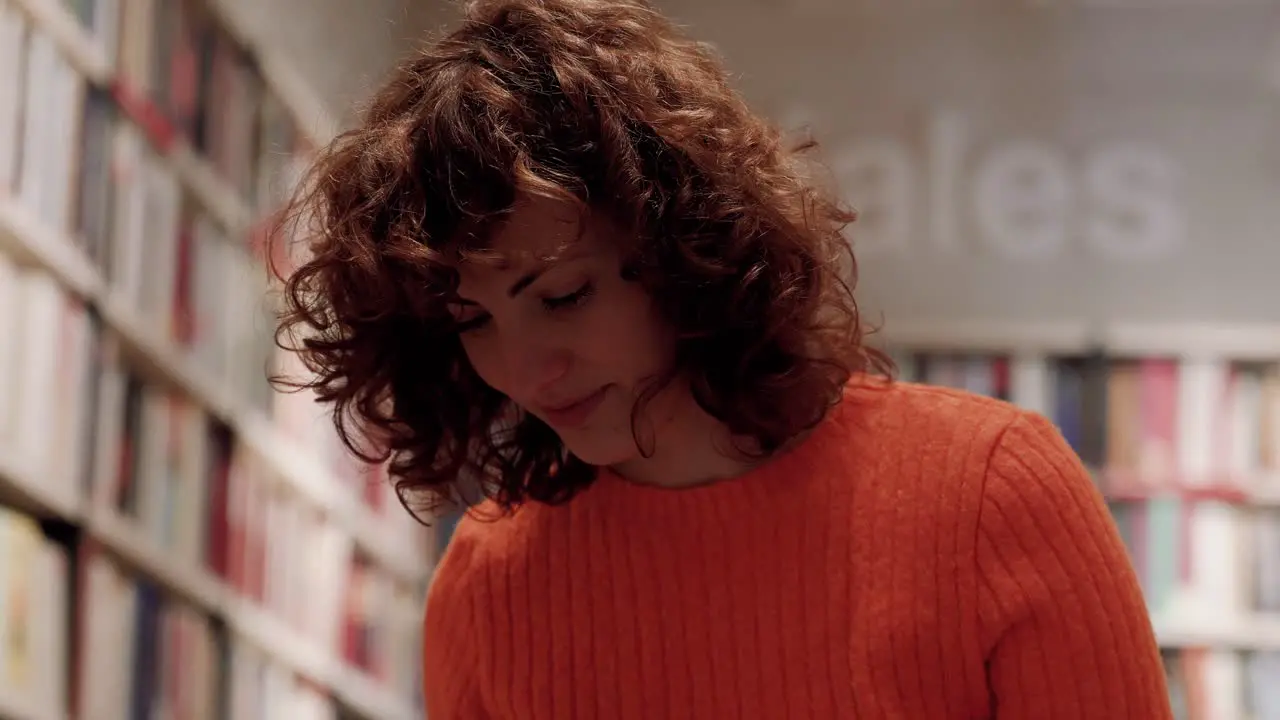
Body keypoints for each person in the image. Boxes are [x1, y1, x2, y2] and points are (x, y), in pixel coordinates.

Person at [274, 0, 1173, 717]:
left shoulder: (990, 494)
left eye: (564, 297)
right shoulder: (490, 584)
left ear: (680, 245)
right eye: (471, 320)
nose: (526, 367)